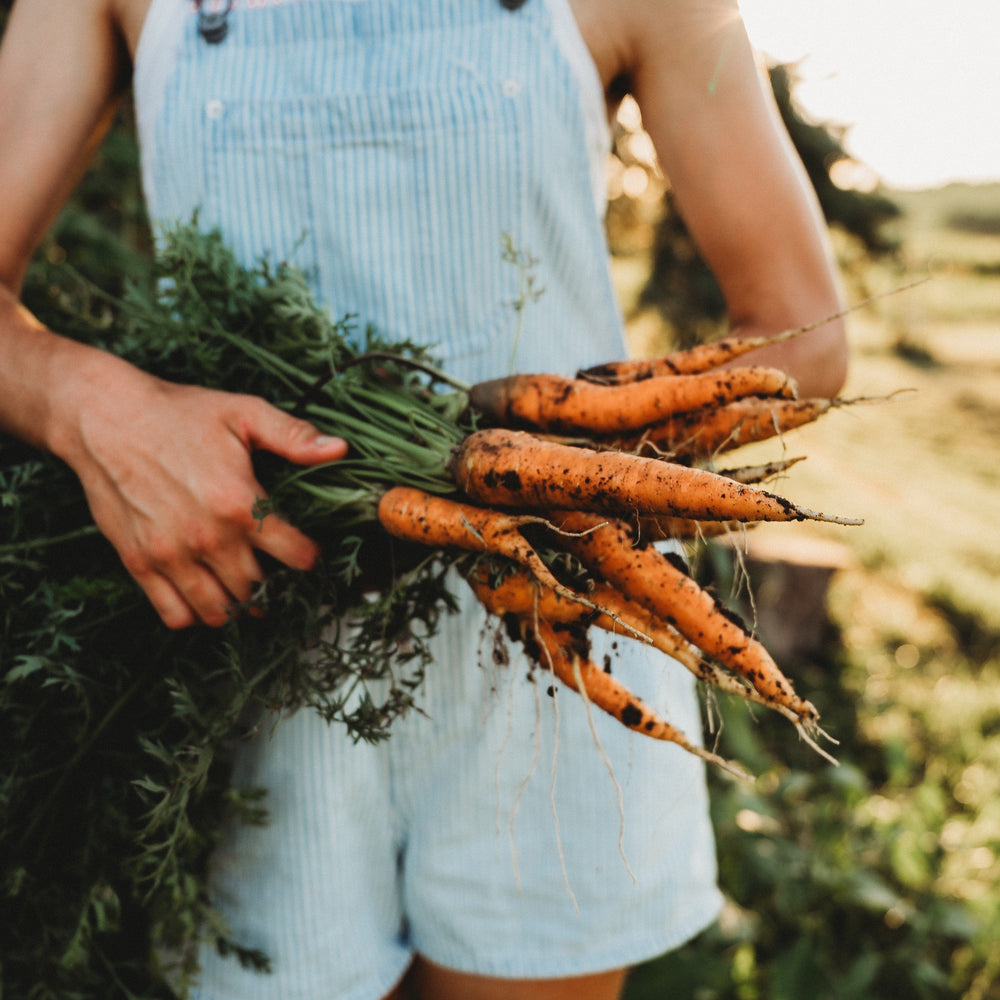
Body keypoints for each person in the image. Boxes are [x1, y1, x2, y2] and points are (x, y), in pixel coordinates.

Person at [0, 1, 848, 998]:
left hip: (559, 641)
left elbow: (806, 338)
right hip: (242, 637)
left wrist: (550, 469)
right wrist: (90, 402)